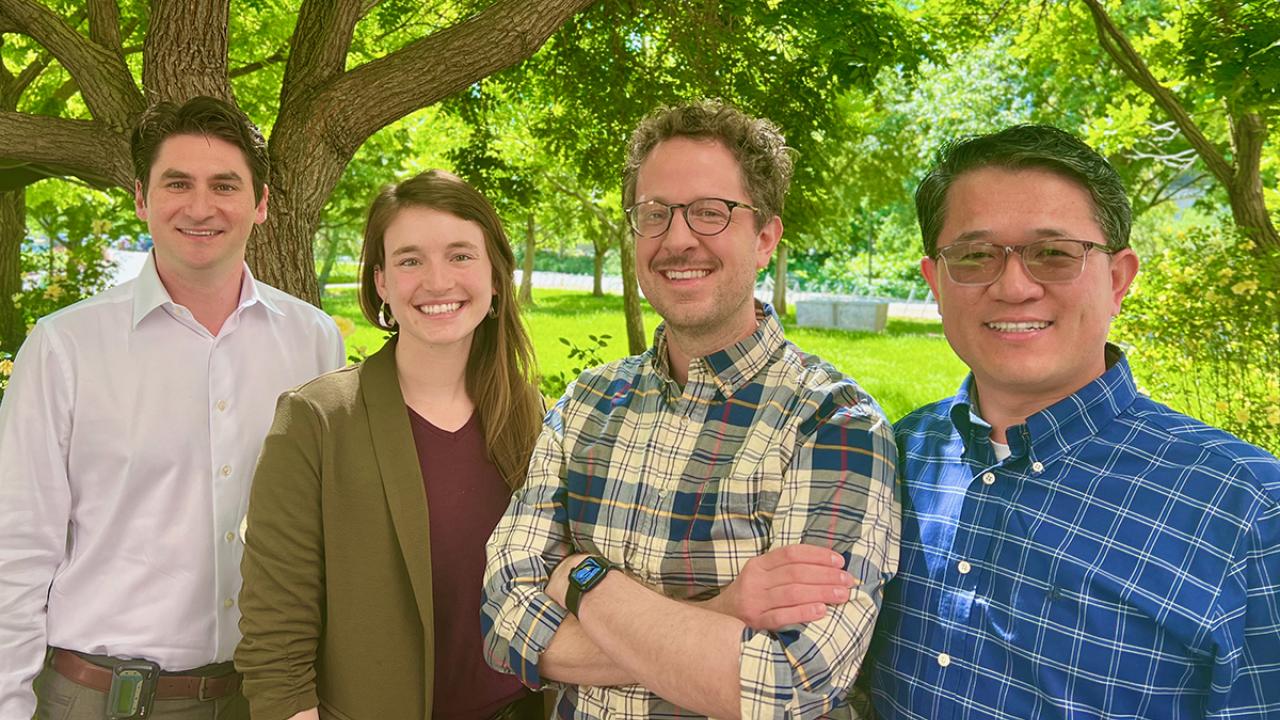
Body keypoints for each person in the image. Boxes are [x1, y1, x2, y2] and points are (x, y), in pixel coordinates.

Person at [481, 99, 899, 719]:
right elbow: (503, 622)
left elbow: (787, 685)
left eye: (711, 212)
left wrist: (581, 582)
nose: (678, 239)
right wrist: (723, 611)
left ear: (764, 238)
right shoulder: (588, 401)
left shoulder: (833, 423)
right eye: (655, 214)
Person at [864, 124, 1280, 718]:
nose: (1013, 286)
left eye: (1054, 254)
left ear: (1118, 279)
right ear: (936, 282)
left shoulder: (1247, 507)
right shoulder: (892, 457)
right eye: (976, 256)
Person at [0, 96, 345, 720]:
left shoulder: (313, 341)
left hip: (264, 699)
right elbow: (16, 547)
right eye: (177, 183)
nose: (200, 206)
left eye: (225, 185)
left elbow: (323, 529)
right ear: (141, 198)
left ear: (261, 203)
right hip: (102, 700)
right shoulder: (63, 347)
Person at [235, 170, 547, 720]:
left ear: (496, 276)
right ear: (381, 282)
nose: (436, 281)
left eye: (460, 255)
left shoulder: (530, 415)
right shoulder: (317, 421)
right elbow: (276, 638)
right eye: (409, 260)